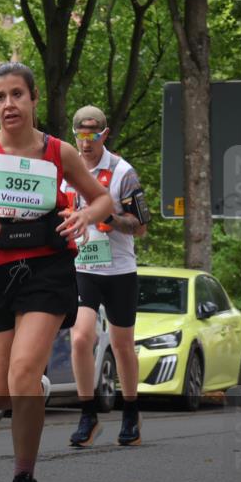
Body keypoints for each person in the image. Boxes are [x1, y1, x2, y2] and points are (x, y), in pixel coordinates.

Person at [0, 62, 113, 482]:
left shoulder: (59, 152)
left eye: (17, 94)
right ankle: (32, 385)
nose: (9, 104)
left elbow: (102, 198)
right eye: (0, 97)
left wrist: (84, 216)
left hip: (45, 269)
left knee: (20, 374)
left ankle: (24, 477)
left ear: (34, 99)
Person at [62, 106, 151, 448]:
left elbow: (140, 228)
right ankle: (88, 414)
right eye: (80, 136)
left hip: (118, 268)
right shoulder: (65, 169)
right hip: (82, 267)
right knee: (81, 337)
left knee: (122, 345)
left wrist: (111, 220)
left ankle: (131, 410)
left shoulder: (122, 172)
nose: (86, 143)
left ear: (105, 134)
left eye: (93, 136)